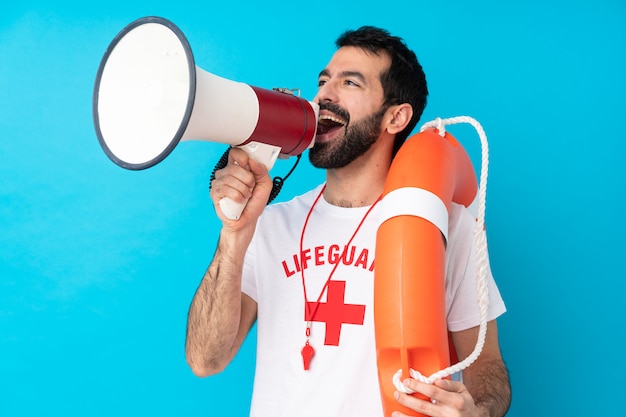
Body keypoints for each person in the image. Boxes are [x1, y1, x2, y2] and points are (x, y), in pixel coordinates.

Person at [185, 26, 511, 417]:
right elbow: (205, 360)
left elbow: (488, 367)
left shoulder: (448, 227)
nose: (324, 95)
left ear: (396, 117)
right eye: (323, 81)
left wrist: (480, 412)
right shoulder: (270, 224)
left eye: (350, 82)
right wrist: (234, 233)